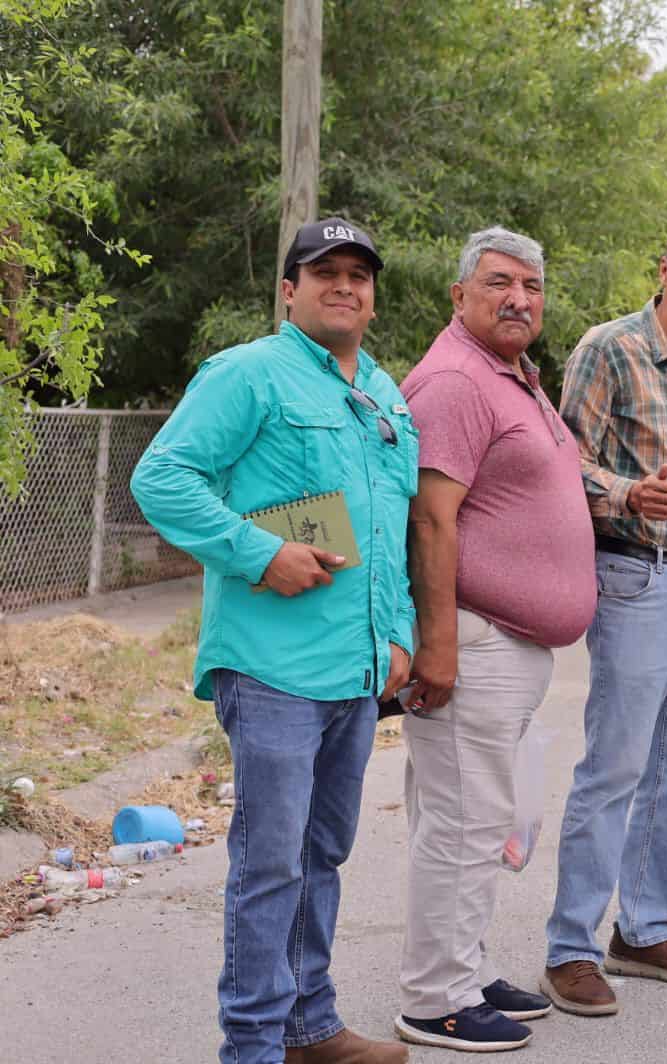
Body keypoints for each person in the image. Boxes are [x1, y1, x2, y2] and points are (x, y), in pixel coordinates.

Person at [132, 217, 414, 1064]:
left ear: (373, 298)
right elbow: (162, 477)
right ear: (289, 290)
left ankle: (308, 1025)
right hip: (272, 671)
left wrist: (399, 634)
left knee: (322, 854)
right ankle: (252, 1046)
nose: (344, 286)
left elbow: (391, 526)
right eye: (324, 272)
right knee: (271, 864)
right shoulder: (248, 373)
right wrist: (261, 553)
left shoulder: (384, 393)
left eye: (359, 275)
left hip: (355, 670)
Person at [393, 228, 596, 1051]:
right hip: (472, 644)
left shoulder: (508, 373)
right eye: (498, 282)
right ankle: (434, 998)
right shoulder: (454, 381)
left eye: (531, 286)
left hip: (504, 648)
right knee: (463, 824)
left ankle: (466, 972)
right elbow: (428, 520)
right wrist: (437, 645)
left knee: (477, 819)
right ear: (460, 295)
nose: (518, 298)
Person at [541, 217, 667, 1016]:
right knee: (616, 767)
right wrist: (625, 493)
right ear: (663, 268)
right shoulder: (610, 348)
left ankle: (645, 929)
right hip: (638, 577)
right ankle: (571, 949)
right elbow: (560, 464)